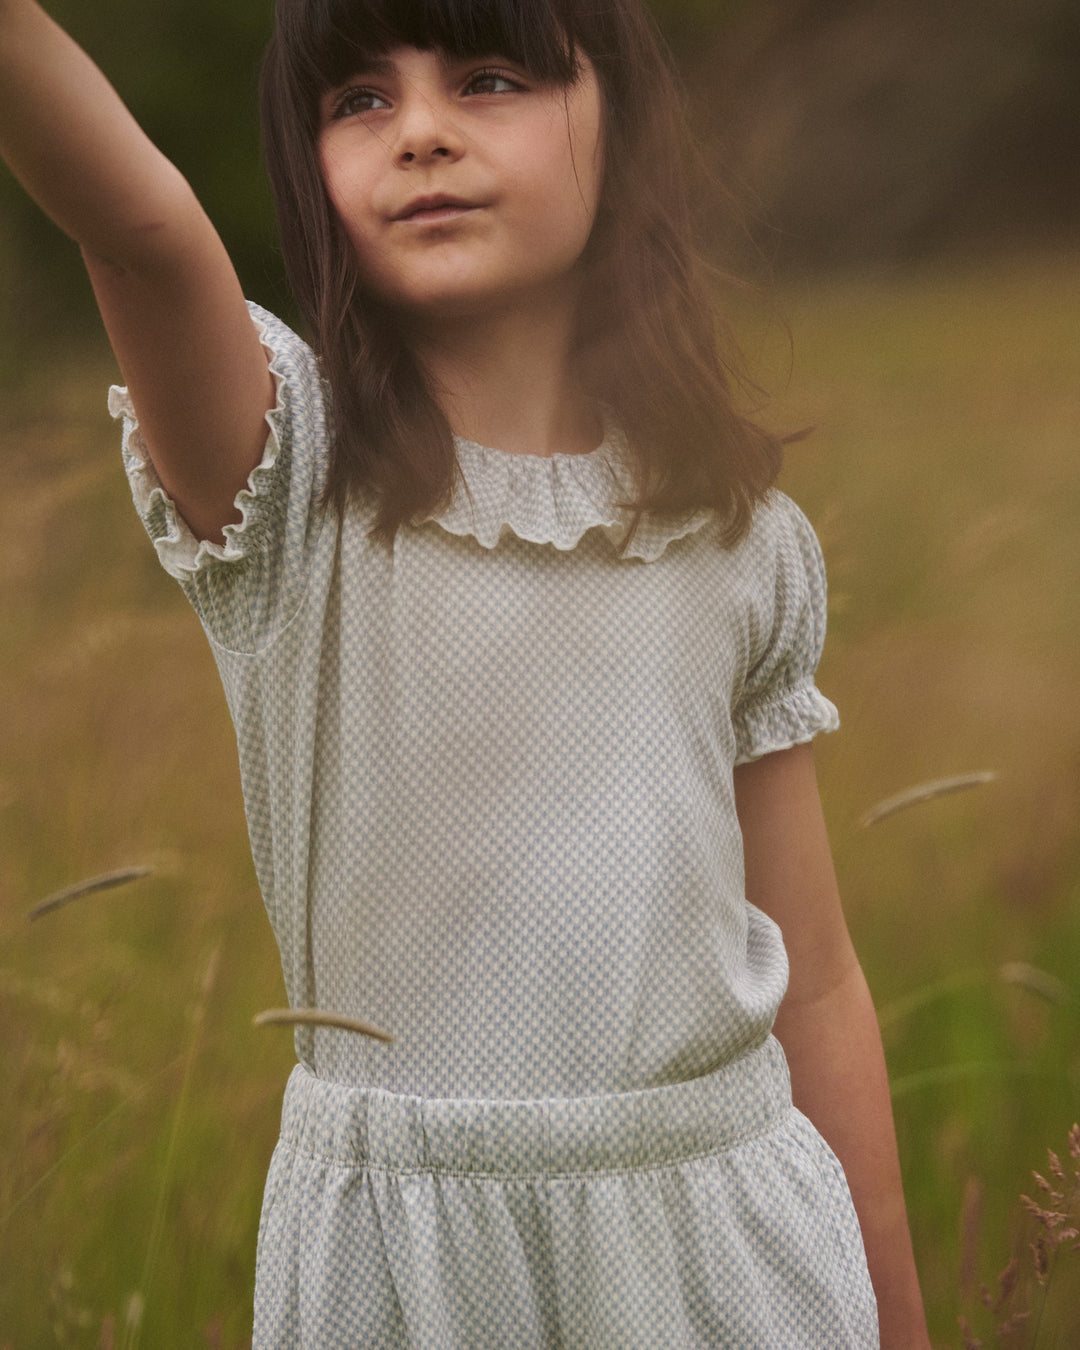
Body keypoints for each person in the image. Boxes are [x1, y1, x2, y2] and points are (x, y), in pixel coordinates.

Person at [0, 0, 933, 1344]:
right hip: (407, 1269)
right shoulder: (287, 475)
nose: (422, 133)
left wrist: (897, 1317)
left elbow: (823, 980)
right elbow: (141, 231)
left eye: (489, 78)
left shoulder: (741, 540)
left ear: (619, 123)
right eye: (360, 100)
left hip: (728, 1245)